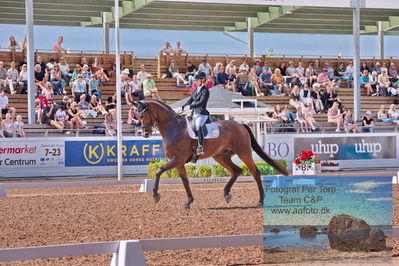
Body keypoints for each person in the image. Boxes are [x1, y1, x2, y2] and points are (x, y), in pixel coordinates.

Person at [181, 72, 209, 155]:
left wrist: (190, 107)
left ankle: (200, 146)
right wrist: (183, 106)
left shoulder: (205, 91)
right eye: (195, 80)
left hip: (201, 114)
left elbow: (201, 103)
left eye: (197, 80)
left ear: (203, 80)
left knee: (197, 126)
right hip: (194, 113)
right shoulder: (195, 89)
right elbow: (190, 100)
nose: (195, 82)